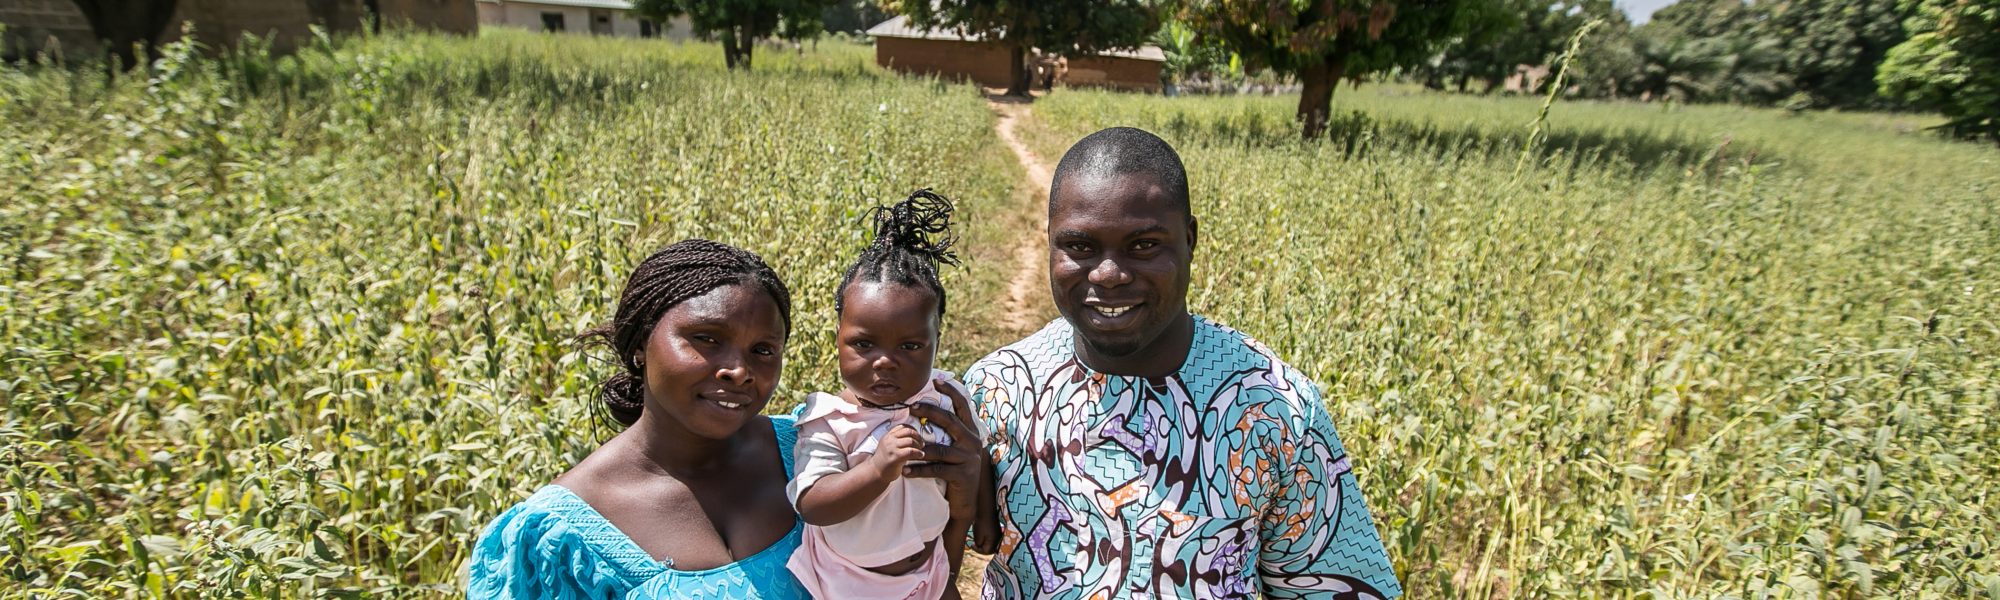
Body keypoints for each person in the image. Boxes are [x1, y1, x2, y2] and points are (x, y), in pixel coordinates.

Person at [962, 128, 1403, 599]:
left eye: (1144, 245)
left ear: (1190, 239)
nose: (1109, 274)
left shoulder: (1272, 405)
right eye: (1081, 246)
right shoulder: (998, 390)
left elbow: (1335, 586)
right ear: (1049, 243)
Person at [465, 239, 984, 598]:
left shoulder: (803, 446)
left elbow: (916, 569)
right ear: (642, 343)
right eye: (706, 339)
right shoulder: (558, 540)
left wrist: (963, 492)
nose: (738, 370)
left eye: (763, 350)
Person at [786, 190, 989, 600]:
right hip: (849, 580)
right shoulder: (829, 420)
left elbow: (977, 454)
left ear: (936, 342)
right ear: (838, 341)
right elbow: (814, 504)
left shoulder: (945, 396)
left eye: (910, 347)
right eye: (864, 345)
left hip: (932, 567)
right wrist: (877, 469)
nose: (886, 362)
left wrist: (983, 515)